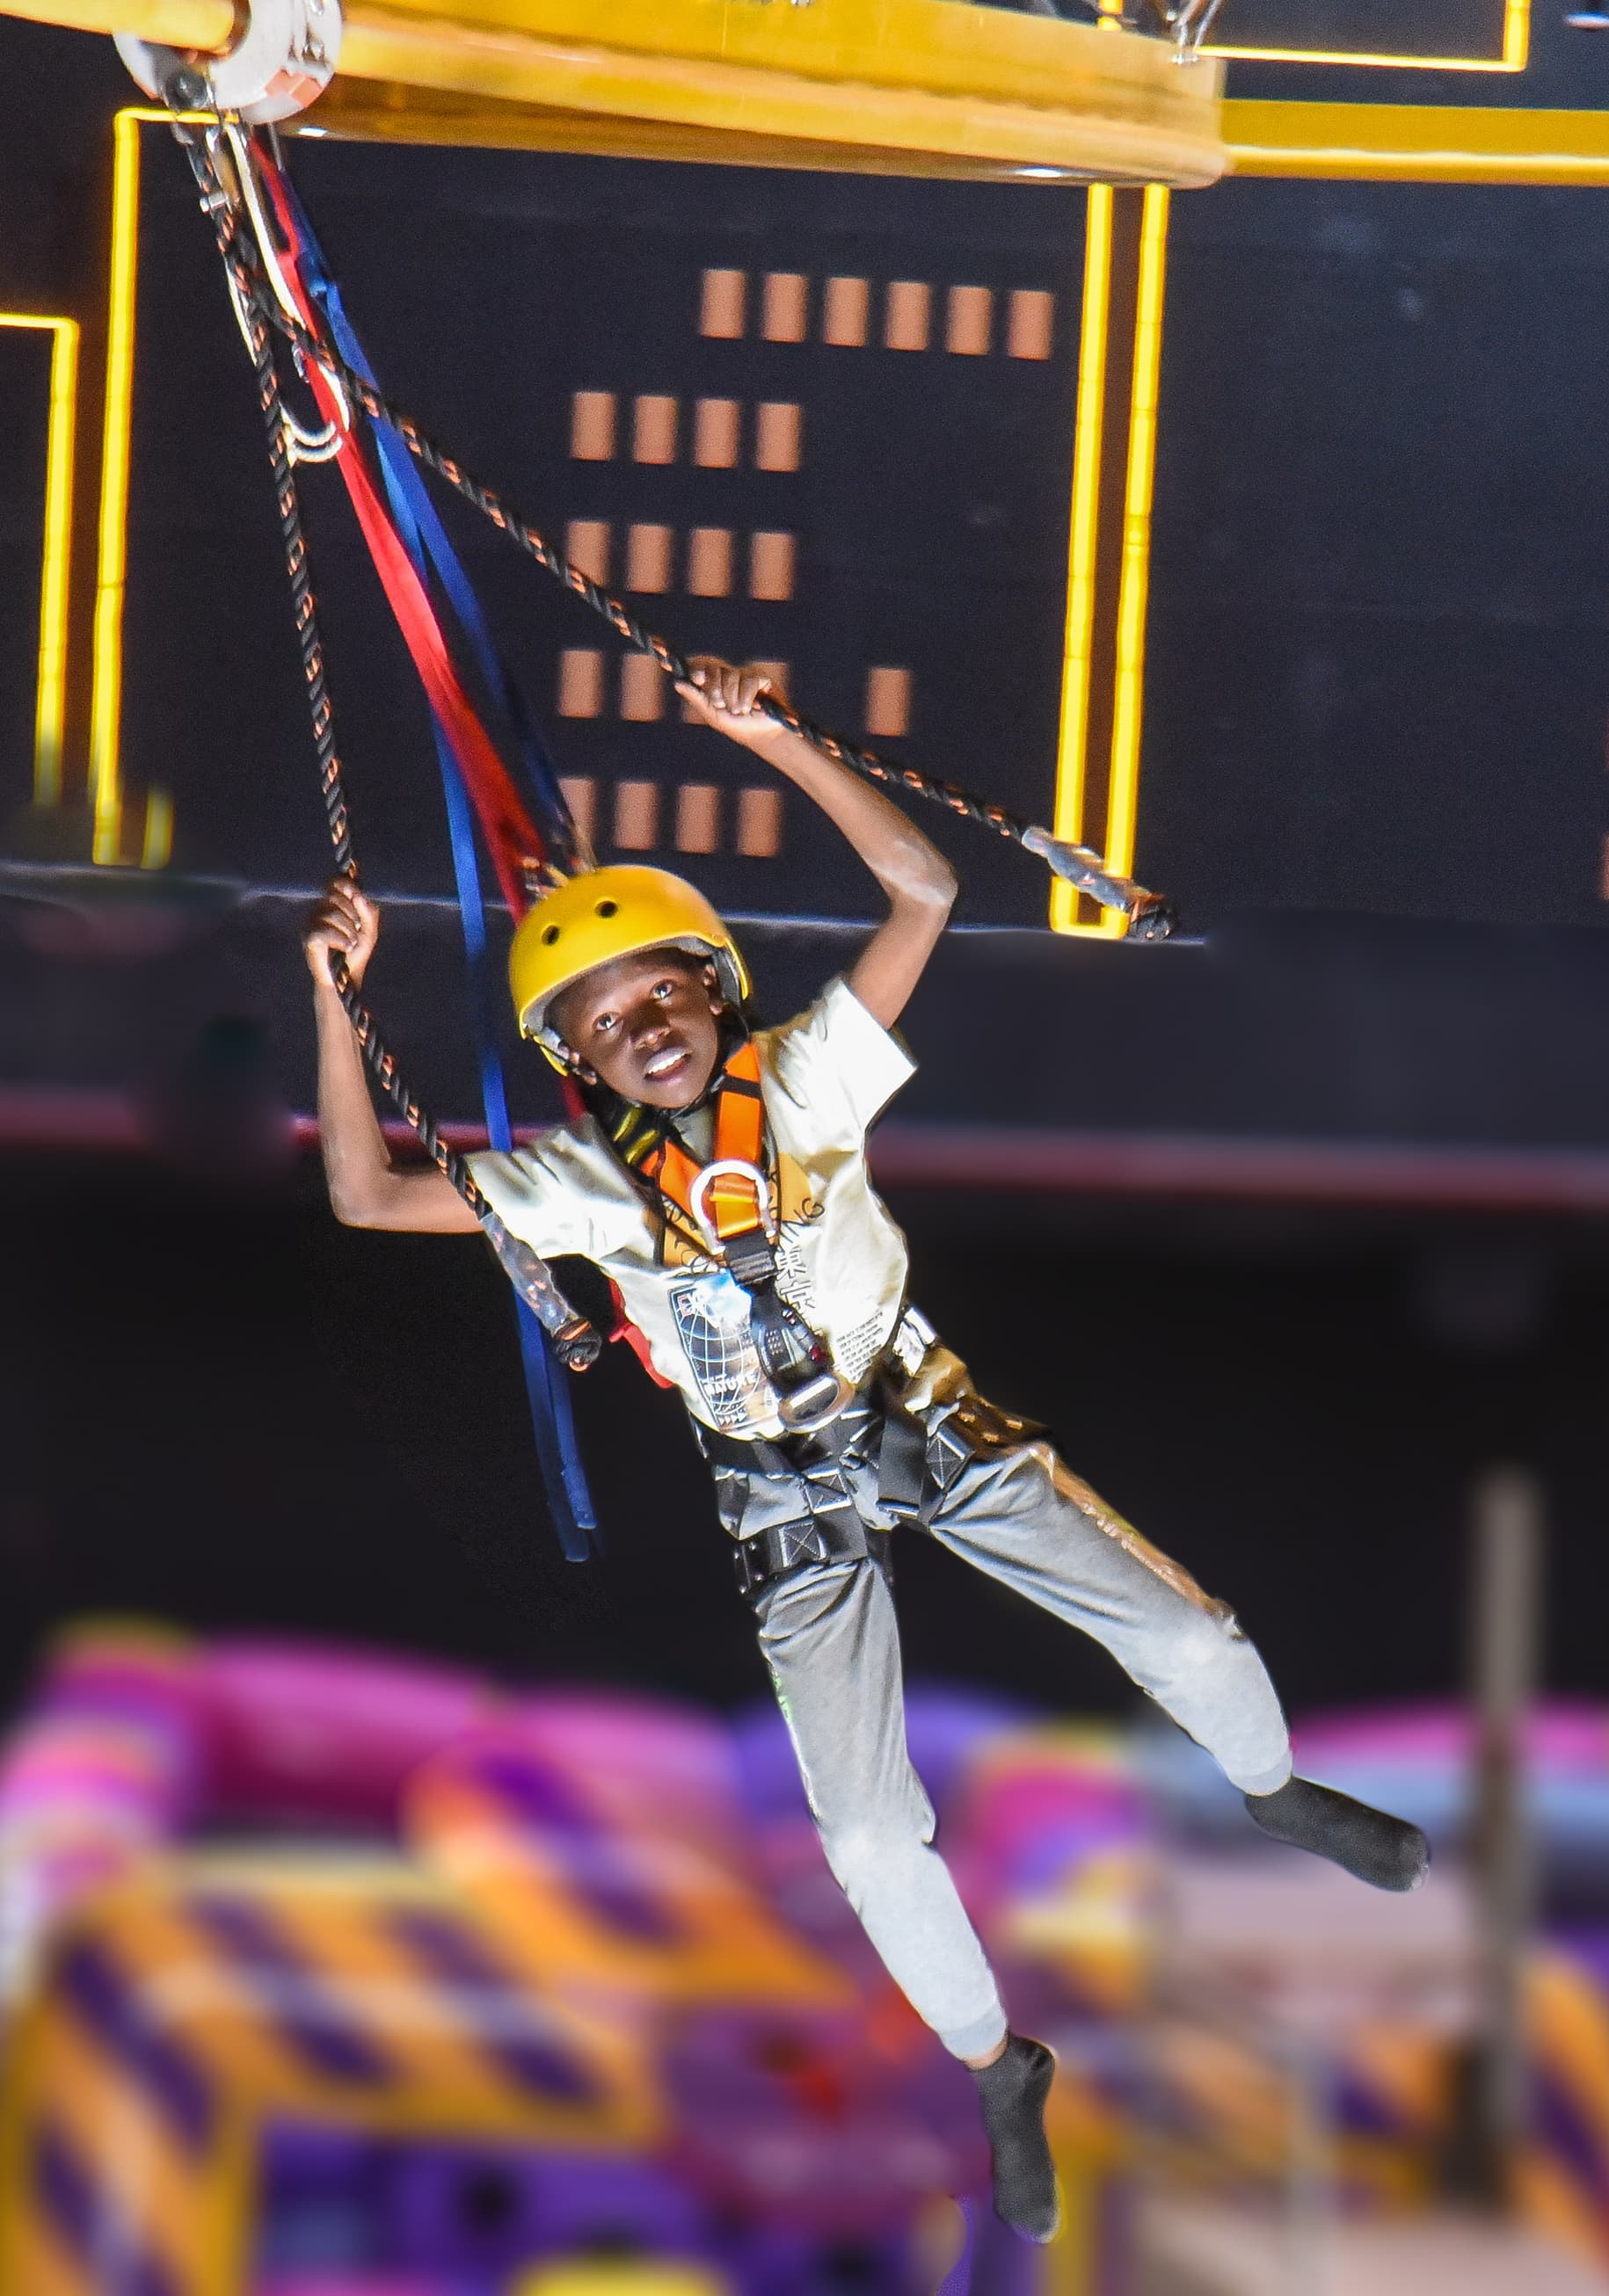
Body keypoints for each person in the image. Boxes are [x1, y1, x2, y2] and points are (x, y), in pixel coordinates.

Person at [302, 657, 1430, 2242]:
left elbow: (923, 885)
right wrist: (334, 1000)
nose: (645, 1034)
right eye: (606, 1026)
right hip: (781, 1498)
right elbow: (364, 1196)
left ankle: (1272, 1788)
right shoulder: (575, 1186)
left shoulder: (812, 1074)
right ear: (582, 1062)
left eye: (662, 998)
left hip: (924, 1415)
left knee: (1185, 1625)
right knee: (859, 1830)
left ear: (714, 989)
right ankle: (992, 2061)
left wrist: (767, 740)